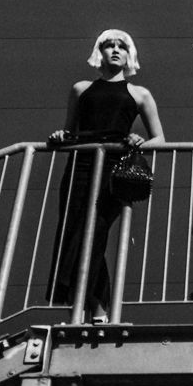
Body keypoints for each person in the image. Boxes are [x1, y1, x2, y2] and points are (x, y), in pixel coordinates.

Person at [47, 29, 163, 323]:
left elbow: (159, 139)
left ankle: (96, 310)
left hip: (114, 171)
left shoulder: (140, 94)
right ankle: (91, 310)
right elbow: (70, 131)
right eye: (108, 45)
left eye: (121, 46)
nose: (114, 49)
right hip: (79, 168)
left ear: (129, 55)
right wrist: (61, 136)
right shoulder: (81, 89)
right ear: (99, 52)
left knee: (94, 234)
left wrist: (139, 143)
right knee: (73, 234)